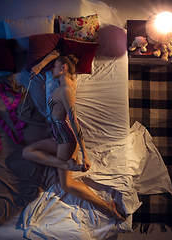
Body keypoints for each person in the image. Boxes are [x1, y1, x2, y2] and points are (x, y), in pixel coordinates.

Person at [22, 50, 126, 222]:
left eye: (54, 67)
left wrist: (84, 154)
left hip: (65, 138)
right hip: (59, 137)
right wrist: (42, 64)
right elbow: (56, 53)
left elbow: (74, 121)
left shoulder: (66, 91)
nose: (52, 69)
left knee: (66, 184)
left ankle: (107, 207)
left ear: (63, 68)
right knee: (27, 151)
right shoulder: (69, 84)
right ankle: (68, 164)